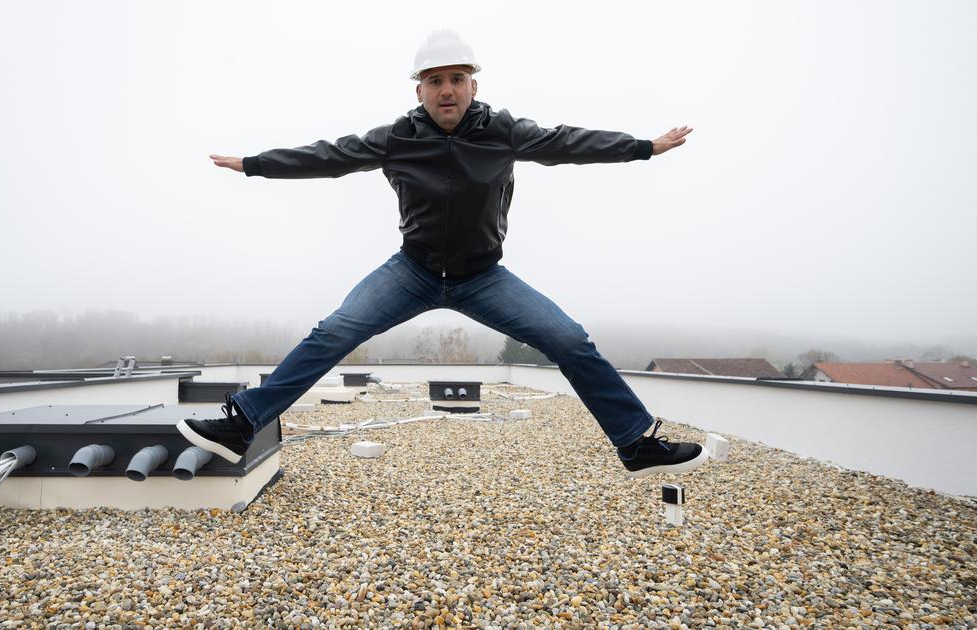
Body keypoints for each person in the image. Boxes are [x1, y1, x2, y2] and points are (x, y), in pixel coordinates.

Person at [178, 30, 705, 478]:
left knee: (570, 340)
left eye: (456, 79)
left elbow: (567, 142)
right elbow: (330, 156)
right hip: (414, 270)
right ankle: (241, 424)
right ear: (420, 90)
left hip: (483, 276)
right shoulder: (397, 138)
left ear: (474, 85)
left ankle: (635, 442)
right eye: (434, 81)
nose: (446, 90)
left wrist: (642, 147)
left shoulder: (503, 132)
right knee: (334, 332)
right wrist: (255, 164)